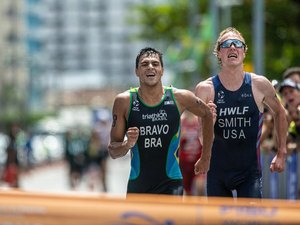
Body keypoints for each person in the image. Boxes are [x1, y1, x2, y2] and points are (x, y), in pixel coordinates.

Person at [195, 27, 288, 198]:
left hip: (249, 173)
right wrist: (210, 122)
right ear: (219, 53)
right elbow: (201, 139)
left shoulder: (259, 85)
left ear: (244, 52)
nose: (232, 47)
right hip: (217, 173)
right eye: (226, 44)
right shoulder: (205, 89)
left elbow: (280, 113)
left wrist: (281, 152)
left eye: (237, 43)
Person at [108, 47, 214, 195]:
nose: (150, 67)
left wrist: (206, 156)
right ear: (136, 71)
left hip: (171, 185)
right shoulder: (124, 101)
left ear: (162, 70)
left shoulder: (180, 98)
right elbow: (113, 150)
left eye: (155, 64)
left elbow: (207, 114)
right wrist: (127, 144)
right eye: (144, 64)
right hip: (139, 186)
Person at [179, 110, 206, 196]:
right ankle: (189, 208)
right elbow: (175, 143)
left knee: (200, 186)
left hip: (197, 160)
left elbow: (205, 140)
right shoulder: (181, 121)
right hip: (185, 162)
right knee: (187, 191)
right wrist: (181, 137)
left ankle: (202, 207)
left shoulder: (198, 121)